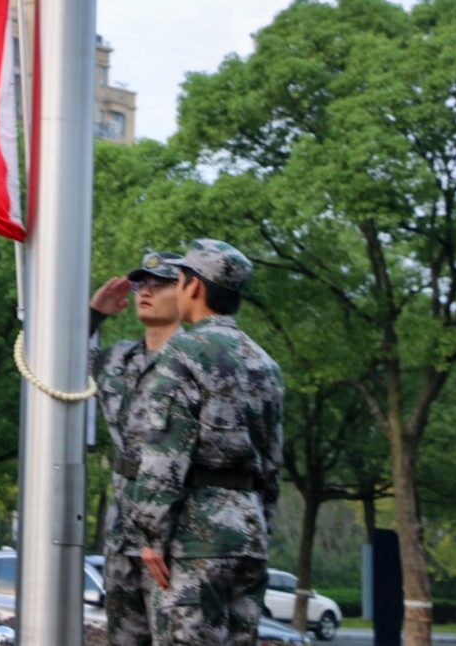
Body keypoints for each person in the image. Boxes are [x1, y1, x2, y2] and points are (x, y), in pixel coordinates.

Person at [129, 239, 285, 646]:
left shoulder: (184, 352)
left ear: (193, 285)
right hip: (249, 535)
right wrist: (260, 528)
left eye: (180, 278)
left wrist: (151, 535)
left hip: (196, 538)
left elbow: (165, 451)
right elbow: (272, 464)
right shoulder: (265, 363)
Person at [87, 251, 185, 646]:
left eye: (160, 284)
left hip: (175, 533)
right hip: (122, 529)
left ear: (187, 292)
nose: (146, 290)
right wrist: (93, 315)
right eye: (142, 283)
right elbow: (53, 359)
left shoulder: (197, 360)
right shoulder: (118, 359)